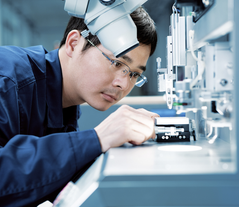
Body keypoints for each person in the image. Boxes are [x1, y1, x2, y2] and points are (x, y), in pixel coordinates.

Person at [0, 6, 158, 207]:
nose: (124, 84)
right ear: (74, 44)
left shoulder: (64, 106)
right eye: (117, 63)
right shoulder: (7, 80)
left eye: (134, 74)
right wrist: (98, 138)